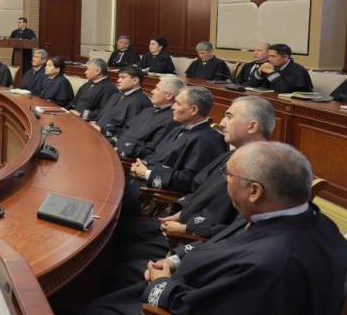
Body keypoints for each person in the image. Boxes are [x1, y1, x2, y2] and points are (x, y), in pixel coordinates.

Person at [74, 142, 347, 315]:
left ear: (255, 191)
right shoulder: (292, 215)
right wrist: (175, 260)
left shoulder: (277, 261)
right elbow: (224, 243)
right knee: (120, 277)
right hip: (223, 294)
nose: (224, 182)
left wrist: (163, 285)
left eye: (228, 176)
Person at [107, 96, 275, 290]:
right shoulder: (234, 154)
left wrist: (185, 228)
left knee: (117, 257)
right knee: (118, 229)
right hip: (181, 222)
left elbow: (235, 228)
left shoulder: (259, 170)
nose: (221, 123)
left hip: (195, 240)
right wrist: (178, 215)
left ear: (252, 126)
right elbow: (199, 190)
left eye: (229, 116)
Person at [124, 87, 225, 213]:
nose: (172, 107)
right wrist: (142, 164)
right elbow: (157, 154)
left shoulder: (207, 140)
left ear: (193, 110)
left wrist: (147, 173)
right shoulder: (179, 128)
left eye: (177, 103)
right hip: (140, 181)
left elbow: (188, 180)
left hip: (153, 193)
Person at [114, 76, 184, 159]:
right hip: (117, 149)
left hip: (131, 159)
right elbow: (126, 129)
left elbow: (153, 151)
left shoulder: (172, 120)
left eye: (157, 89)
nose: (152, 91)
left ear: (168, 96)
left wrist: (125, 147)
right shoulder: (148, 110)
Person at [93, 66, 152, 138]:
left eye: (123, 77)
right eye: (119, 77)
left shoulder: (140, 102)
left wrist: (102, 131)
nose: (118, 80)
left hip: (108, 140)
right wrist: (95, 122)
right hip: (96, 132)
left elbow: (129, 131)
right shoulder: (116, 95)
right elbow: (103, 114)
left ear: (135, 81)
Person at [249, 43, 313, 93]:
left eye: (273, 56)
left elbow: (283, 89)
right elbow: (252, 85)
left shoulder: (298, 70)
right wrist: (259, 72)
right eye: (269, 56)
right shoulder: (271, 66)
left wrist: (272, 73)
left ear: (285, 57)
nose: (270, 59)